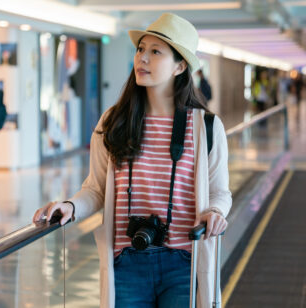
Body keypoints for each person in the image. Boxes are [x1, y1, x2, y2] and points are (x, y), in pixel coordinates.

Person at [33, 13, 231, 308]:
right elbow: (96, 189)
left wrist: (215, 211)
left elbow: (219, 191)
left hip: (184, 263)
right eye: (140, 50)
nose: (143, 59)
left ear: (180, 66)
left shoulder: (206, 127)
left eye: (155, 52)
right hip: (126, 263)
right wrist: (71, 206)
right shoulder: (114, 121)